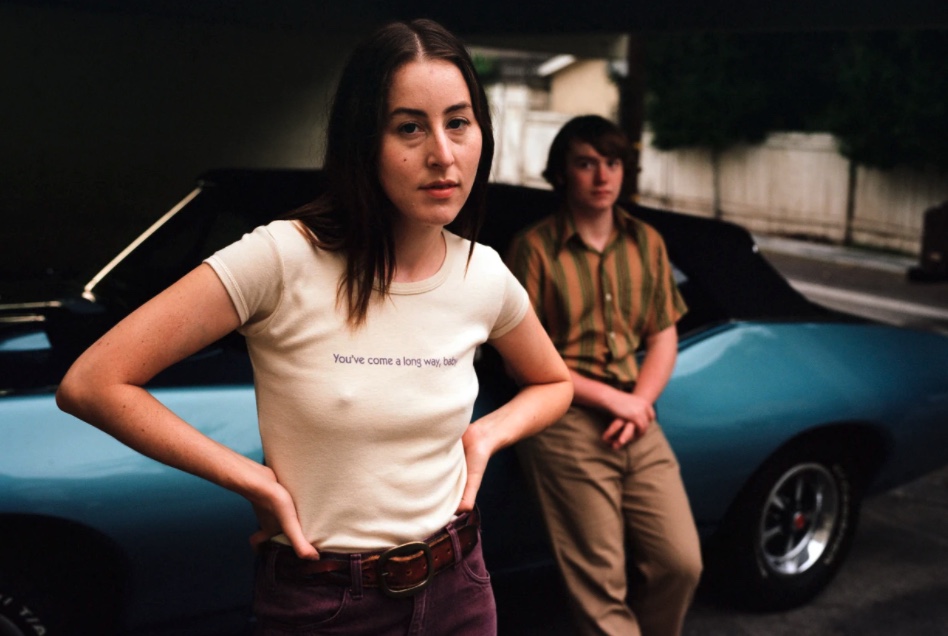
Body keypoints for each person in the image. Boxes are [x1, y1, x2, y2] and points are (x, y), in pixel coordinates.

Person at [56, 19, 572, 635]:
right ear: (361, 140)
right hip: (326, 603)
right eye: (409, 126)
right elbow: (93, 382)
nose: (442, 153)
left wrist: (484, 438)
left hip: (459, 585)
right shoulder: (281, 258)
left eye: (458, 122)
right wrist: (253, 480)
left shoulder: (480, 272)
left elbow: (552, 383)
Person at [506, 115, 702, 636]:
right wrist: (616, 402)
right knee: (601, 582)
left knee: (681, 563)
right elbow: (521, 358)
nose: (601, 176)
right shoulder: (533, 248)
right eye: (586, 163)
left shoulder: (647, 243)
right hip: (564, 420)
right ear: (562, 173)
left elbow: (662, 335)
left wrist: (638, 402)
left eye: (612, 163)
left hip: (636, 414)